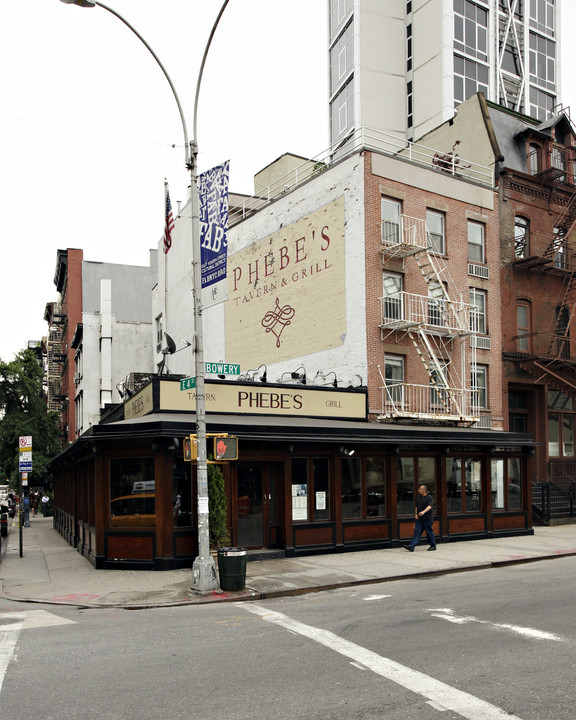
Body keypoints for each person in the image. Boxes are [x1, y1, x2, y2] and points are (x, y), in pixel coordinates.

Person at [404, 484, 436, 551]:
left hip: (428, 518)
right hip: (420, 519)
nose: (418, 490)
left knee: (429, 532)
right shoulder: (419, 498)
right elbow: (416, 506)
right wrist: (416, 514)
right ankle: (411, 546)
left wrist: (423, 512)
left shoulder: (429, 497)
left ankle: (433, 546)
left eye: (420, 489)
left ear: (423, 490)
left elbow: (430, 506)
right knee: (417, 532)